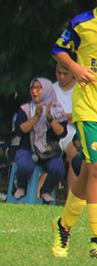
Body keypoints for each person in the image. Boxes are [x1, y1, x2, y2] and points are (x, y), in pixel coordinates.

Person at [52, 0, 97, 257]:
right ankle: (96, 239)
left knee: (86, 175)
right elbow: (58, 49)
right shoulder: (81, 23)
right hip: (88, 106)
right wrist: (76, 66)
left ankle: (63, 225)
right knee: (96, 170)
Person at [11, 77, 66, 204]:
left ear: (46, 90)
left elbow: (62, 133)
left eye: (38, 88)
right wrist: (36, 117)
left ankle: (46, 191)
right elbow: (20, 130)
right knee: (25, 166)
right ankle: (20, 186)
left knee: (58, 168)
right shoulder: (25, 109)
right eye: (33, 88)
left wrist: (50, 119)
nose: (35, 91)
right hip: (28, 149)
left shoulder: (57, 110)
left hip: (49, 151)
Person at [53, 61, 79, 189]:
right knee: (47, 154)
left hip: (71, 132)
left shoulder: (80, 90)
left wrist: (65, 117)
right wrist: (69, 116)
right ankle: (39, 198)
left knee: (75, 156)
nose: (61, 77)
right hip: (53, 132)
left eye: (65, 74)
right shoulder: (51, 90)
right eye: (58, 73)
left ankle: (70, 200)